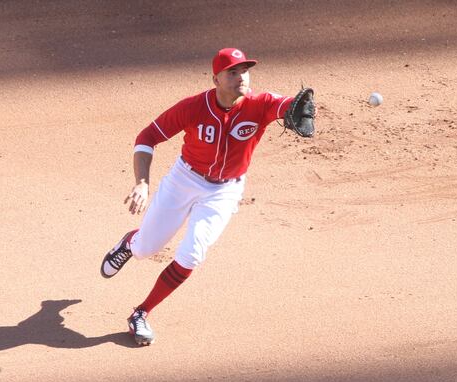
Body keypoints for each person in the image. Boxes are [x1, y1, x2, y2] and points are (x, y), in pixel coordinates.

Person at [101, 48, 313, 345]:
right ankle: (130, 242)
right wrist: (143, 184)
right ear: (216, 79)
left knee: (192, 254)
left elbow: (285, 106)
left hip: (224, 191)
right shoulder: (193, 107)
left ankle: (141, 313)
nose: (241, 77)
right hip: (183, 180)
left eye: (245, 71)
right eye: (233, 72)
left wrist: (295, 106)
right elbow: (147, 137)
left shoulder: (260, 103)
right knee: (145, 249)